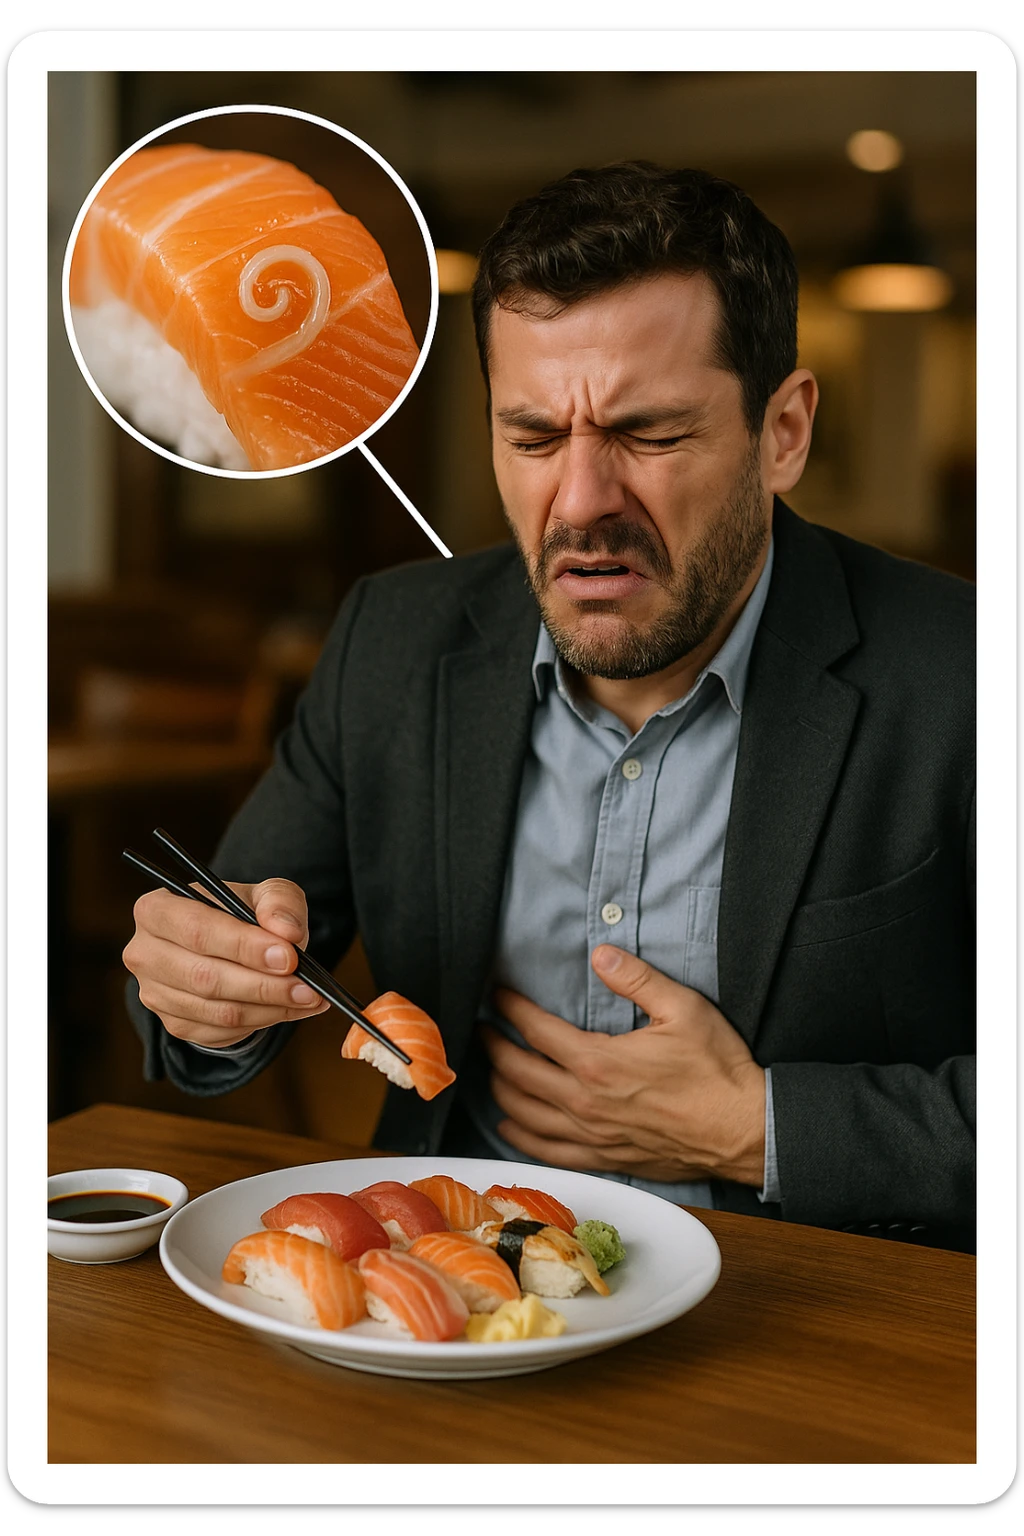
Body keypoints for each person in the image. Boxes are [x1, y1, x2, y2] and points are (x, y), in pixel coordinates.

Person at [123, 161, 976, 1252]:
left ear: (784, 432)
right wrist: (204, 990)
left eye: (649, 436)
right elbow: (214, 976)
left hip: (814, 1325)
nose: (579, 505)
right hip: (444, 1292)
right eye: (532, 439)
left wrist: (754, 1127)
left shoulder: (962, 672)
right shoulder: (393, 639)